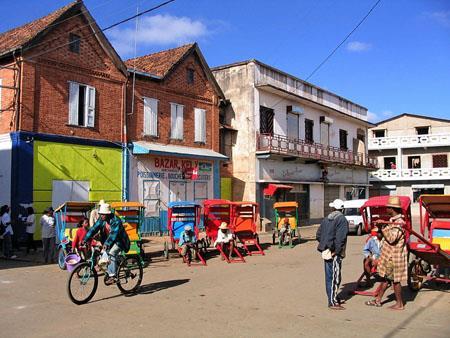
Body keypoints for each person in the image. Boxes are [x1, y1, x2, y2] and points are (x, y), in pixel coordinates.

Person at [365, 196, 407, 310]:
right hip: (388, 257)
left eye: (388, 207)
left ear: (392, 208)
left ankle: (399, 304)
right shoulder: (392, 221)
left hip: (394, 257)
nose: (386, 209)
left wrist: (383, 228)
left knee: (395, 281)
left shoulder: (399, 223)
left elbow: (392, 238)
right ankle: (378, 300)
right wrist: (381, 227)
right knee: (385, 279)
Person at [83, 203, 130, 285]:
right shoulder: (102, 220)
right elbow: (94, 228)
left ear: (108, 214)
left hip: (120, 241)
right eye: (101, 214)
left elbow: (113, 235)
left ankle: (113, 276)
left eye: (103, 215)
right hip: (109, 241)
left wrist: (107, 244)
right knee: (103, 254)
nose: (101, 216)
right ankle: (118, 263)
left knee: (111, 254)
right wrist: (85, 239)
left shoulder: (116, 220)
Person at [316, 199, 349, 310]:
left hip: (327, 251)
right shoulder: (342, 219)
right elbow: (341, 238)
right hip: (335, 253)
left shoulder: (326, 219)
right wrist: (336, 251)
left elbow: (318, 235)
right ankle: (332, 301)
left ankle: (333, 297)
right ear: (342, 209)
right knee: (335, 277)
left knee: (330, 277)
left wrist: (325, 245)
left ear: (333, 208)